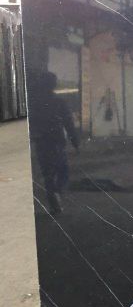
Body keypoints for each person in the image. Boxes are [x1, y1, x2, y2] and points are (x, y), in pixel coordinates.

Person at [27, 70, 79, 215]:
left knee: (48, 173)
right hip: (56, 141)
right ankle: (57, 192)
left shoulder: (34, 103)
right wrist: (75, 140)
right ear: (53, 84)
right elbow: (68, 122)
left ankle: (53, 201)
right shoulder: (59, 102)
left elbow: (30, 122)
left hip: (41, 141)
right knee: (62, 170)